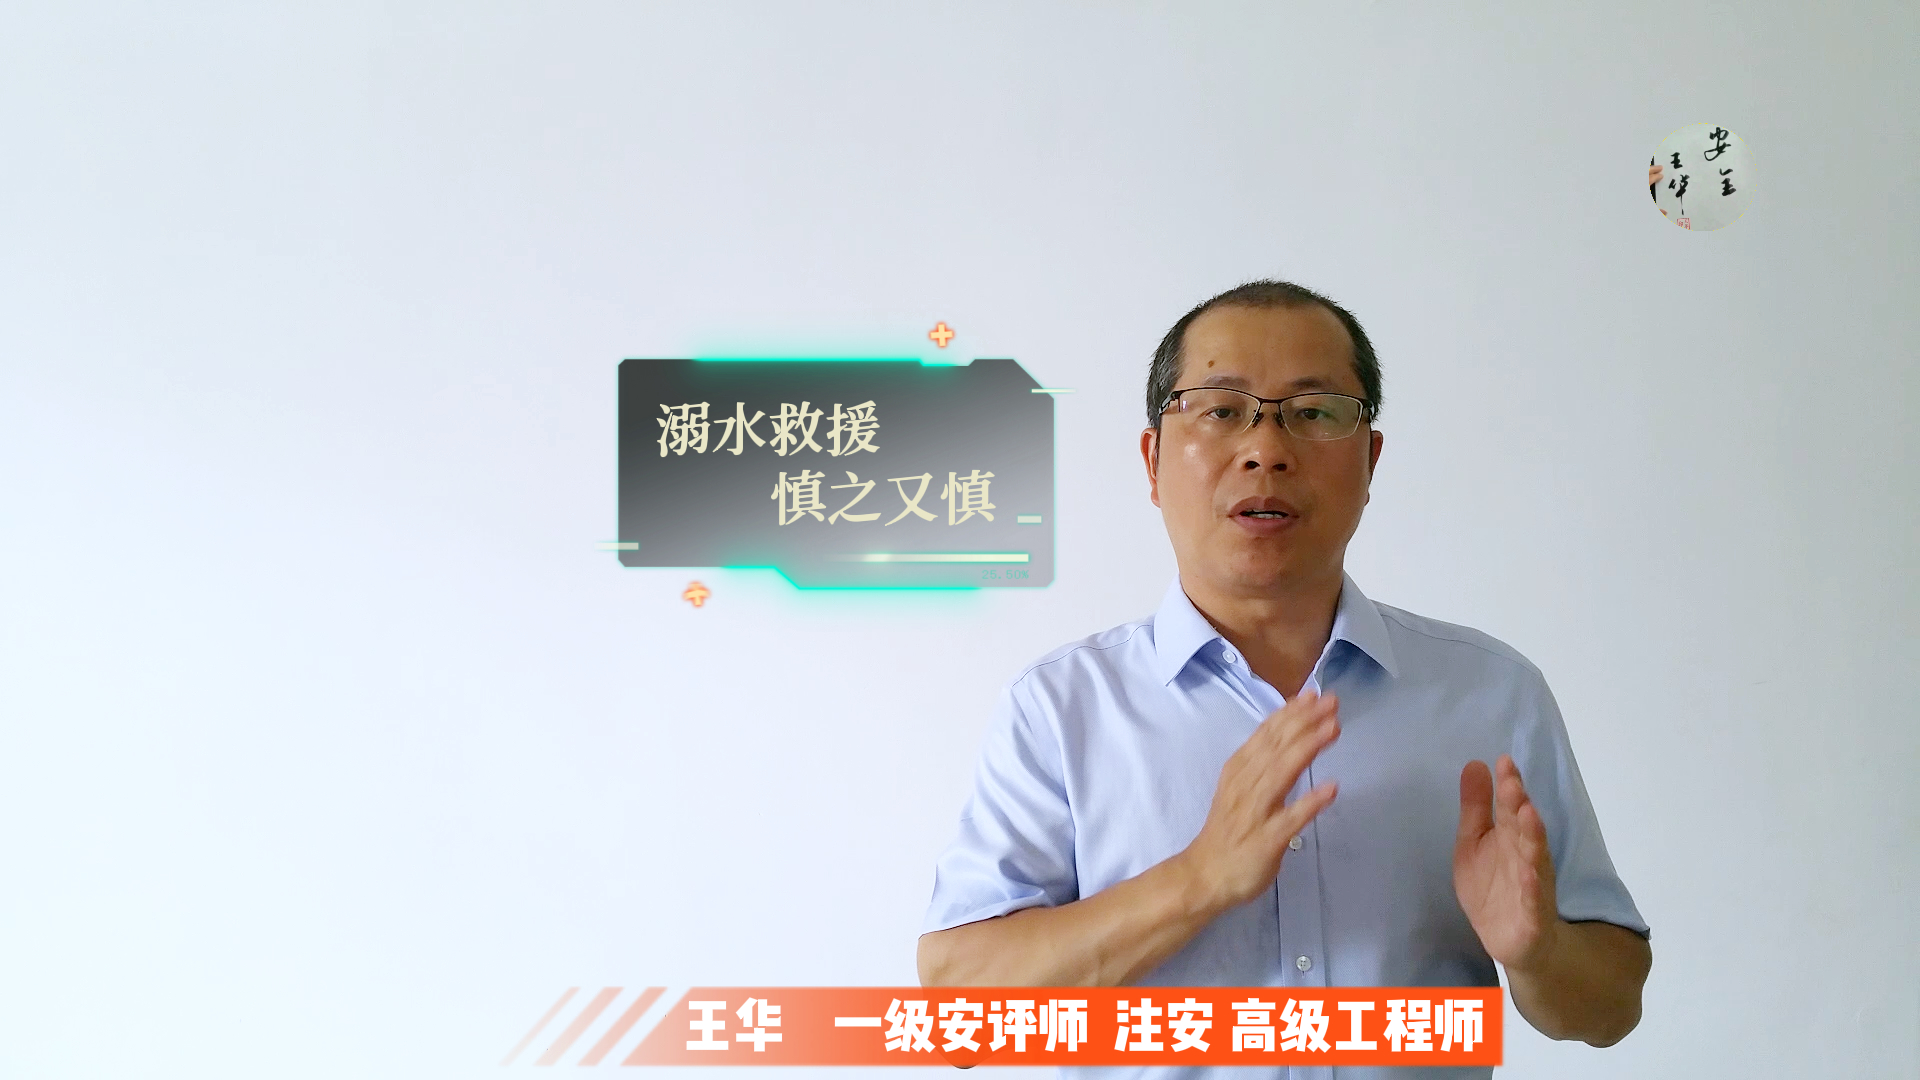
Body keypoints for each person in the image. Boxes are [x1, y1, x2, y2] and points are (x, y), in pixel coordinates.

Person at [915, 280, 1652, 1079]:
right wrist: (1197, 880)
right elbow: (960, 1017)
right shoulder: (1061, 709)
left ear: (1369, 461)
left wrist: (1540, 953)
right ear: (1153, 461)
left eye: (1315, 411)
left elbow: (1611, 1009)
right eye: (1221, 409)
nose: (1266, 449)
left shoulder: (1490, 692)